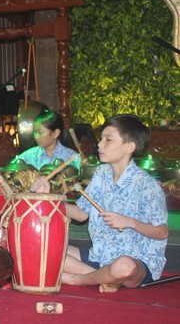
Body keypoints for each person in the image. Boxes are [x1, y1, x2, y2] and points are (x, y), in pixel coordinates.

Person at [36, 114, 168, 292]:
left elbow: (162, 232)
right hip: (101, 255)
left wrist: (130, 222)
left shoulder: (147, 185)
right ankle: (101, 277)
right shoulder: (101, 174)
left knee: (124, 266)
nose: (100, 144)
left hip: (137, 260)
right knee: (43, 247)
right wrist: (48, 198)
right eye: (101, 139)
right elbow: (81, 214)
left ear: (129, 146)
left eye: (108, 140)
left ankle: (78, 279)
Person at [12, 109, 80, 170]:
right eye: (34, 132)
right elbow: (10, 169)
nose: (36, 136)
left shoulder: (72, 157)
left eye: (40, 132)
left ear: (55, 133)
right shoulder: (29, 155)